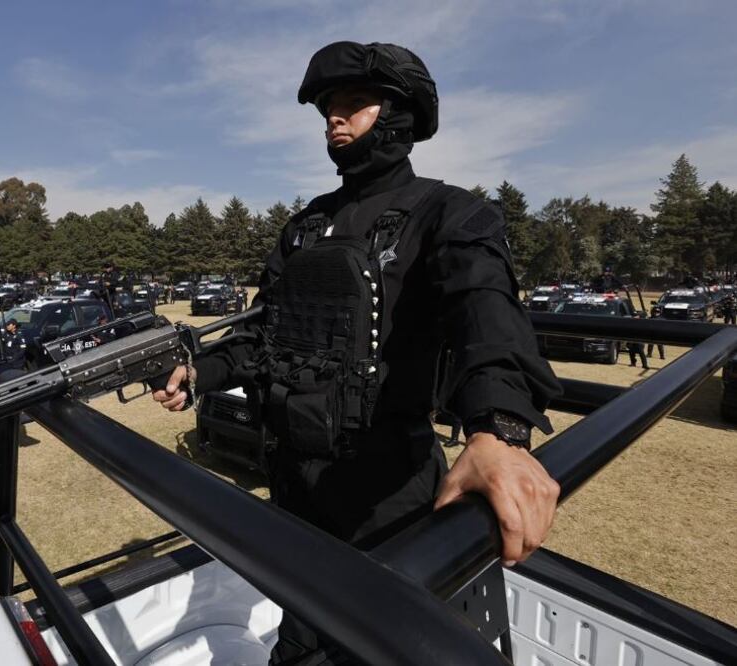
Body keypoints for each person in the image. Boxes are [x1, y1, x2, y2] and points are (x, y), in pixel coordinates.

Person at [152, 40, 562, 663]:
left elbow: (489, 313)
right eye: (327, 108)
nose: (333, 119)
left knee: (384, 645)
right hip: (294, 487)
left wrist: (498, 431)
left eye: (353, 104)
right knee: (302, 636)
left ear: (399, 114)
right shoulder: (305, 226)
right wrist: (198, 371)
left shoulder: (449, 212)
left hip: (388, 495)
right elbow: (263, 335)